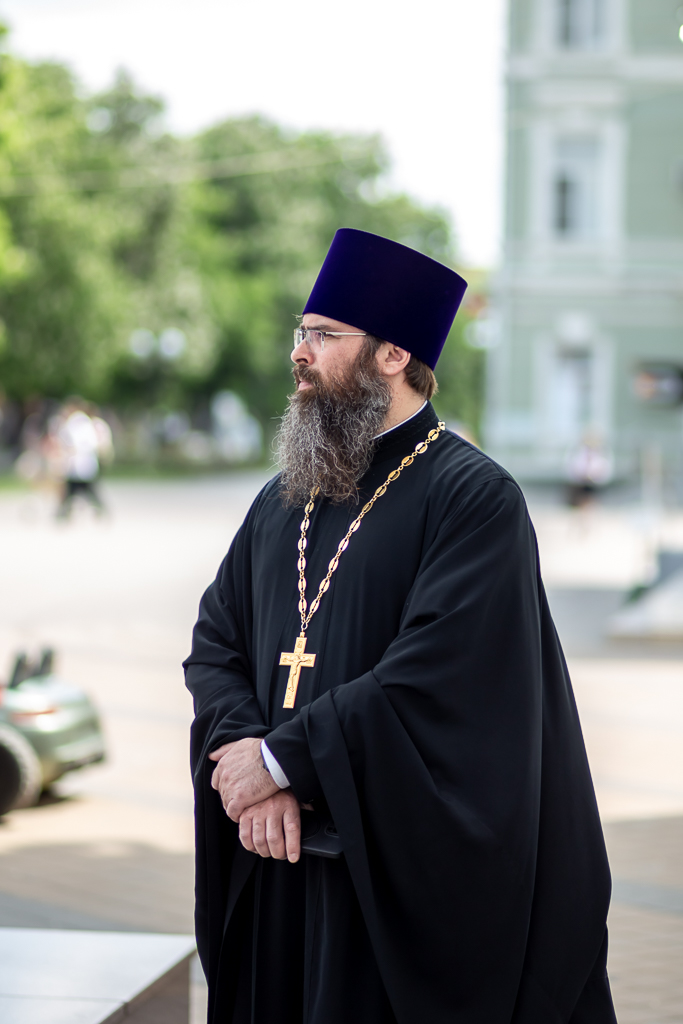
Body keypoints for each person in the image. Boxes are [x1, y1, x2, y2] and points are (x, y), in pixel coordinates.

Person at [185, 229, 617, 1024]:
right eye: (300, 332)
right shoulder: (284, 497)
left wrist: (283, 761)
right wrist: (251, 760)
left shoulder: (474, 499)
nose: (298, 352)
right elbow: (216, 642)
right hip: (274, 856)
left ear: (392, 353)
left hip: (385, 882)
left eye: (323, 335)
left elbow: (438, 675)